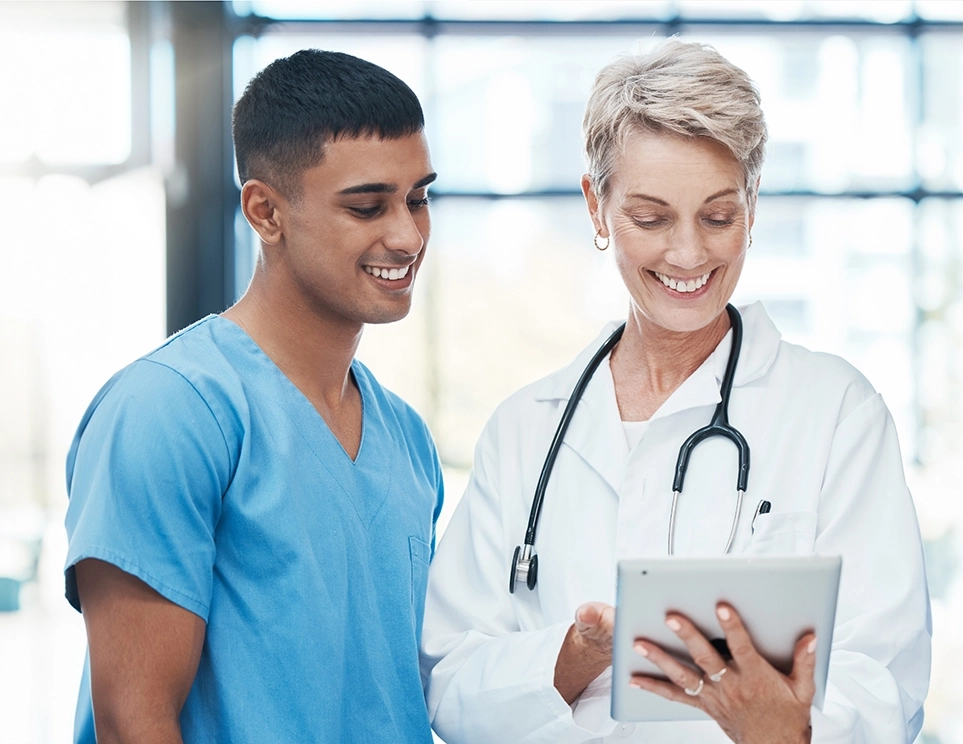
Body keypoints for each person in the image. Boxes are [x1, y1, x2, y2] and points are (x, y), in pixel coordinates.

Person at [420, 39, 930, 744]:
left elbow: (886, 678)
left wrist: (781, 723)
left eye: (718, 216)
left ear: (751, 206)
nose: (687, 254)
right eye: (651, 218)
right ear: (596, 208)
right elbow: (447, 678)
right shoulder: (524, 430)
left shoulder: (835, 413)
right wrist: (577, 654)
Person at [64, 49, 443, 744]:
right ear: (265, 212)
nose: (407, 234)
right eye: (368, 206)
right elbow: (133, 724)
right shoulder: (169, 412)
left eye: (418, 198)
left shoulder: (405, 438)